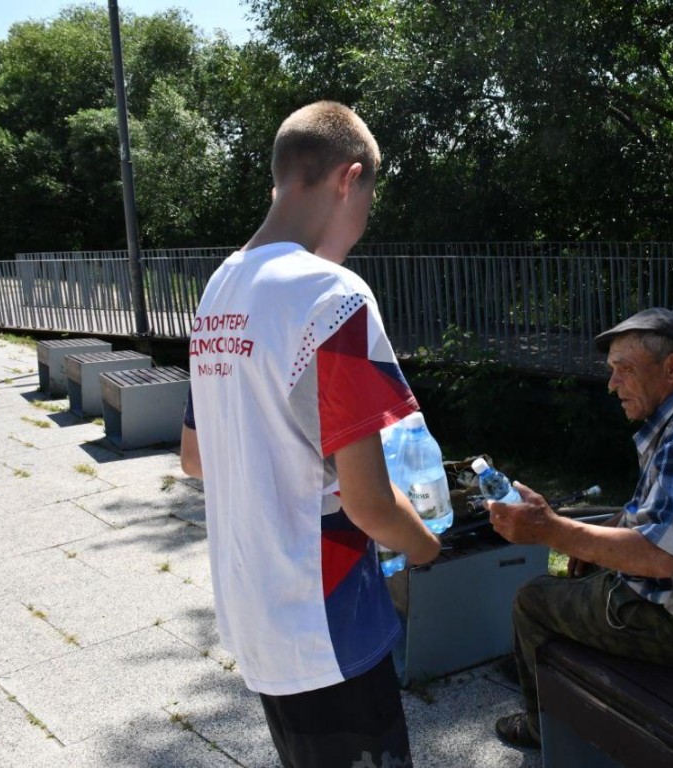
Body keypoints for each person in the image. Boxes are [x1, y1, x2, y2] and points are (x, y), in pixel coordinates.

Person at [179, 101, 441, 767]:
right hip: (326, 617)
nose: (360, 226)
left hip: (254, 610)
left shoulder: (219, 290)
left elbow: (196, 458)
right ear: (348, 178)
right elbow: (370, 503)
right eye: (367, 203)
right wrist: (426, 546)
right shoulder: (333, 297)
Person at [488, 307, 673, 750]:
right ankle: (536, 656)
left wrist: (549, 529)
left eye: (626, 370)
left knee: (531, 600)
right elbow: (657, 511)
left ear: (671, 368)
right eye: (612, 370)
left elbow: (659, 557)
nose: (612, 384)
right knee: (586, 567)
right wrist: (599, 534)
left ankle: (541, 728)